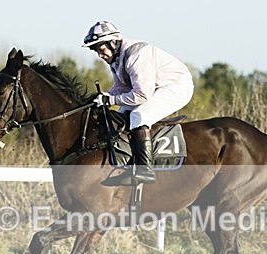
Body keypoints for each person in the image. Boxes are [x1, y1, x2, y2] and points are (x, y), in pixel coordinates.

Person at [82, 20, 194, 185]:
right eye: (96, 50)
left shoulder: (135, 54)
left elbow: (141, 94)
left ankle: (144, 170)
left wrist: (110, 99)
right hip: (155, 87)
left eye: (101, 48)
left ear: (113, 42)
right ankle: (127, 164)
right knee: (119, 116)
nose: (100, 54)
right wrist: (103, 97)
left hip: (177, 85)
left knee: (139, 116)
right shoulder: (116, 59)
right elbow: (121, 88)